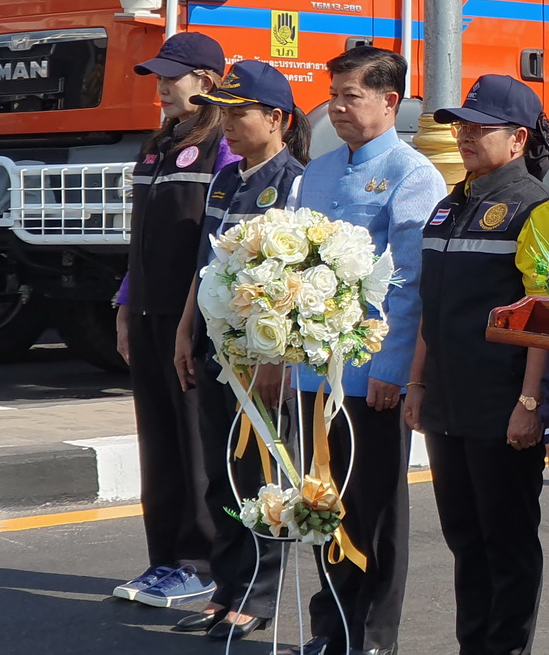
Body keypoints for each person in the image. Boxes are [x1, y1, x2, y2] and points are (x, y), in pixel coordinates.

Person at [403, 75, 549, 655]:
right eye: (462, 126)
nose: (465, 135)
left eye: (481, 127)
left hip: (502, 407)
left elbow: (545, 320)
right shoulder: (448, 206)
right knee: (464, 540)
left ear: (519, 138)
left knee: (507, 544)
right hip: (448, 402)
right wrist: (417, 382)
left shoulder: (540, 211)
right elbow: (431, 305)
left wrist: (530, 403)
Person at [285, 47, 447, 655]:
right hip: (314, 371)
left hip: (368, 373)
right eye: (333, 95)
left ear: (390, 101)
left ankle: (373, 634)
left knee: (374, 507)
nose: (337, 107)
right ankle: (330, 626)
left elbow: (409, 282)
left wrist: (392, 368)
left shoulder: (413, 174)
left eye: (350, 95)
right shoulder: (319, 171)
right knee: (322, 500)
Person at [172, 60, 311, 640]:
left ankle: (257, 593)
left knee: (261, 475)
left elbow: (295, 280)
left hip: (261, 352)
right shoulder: (227, 178)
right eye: (221, 112)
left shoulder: (297, 181)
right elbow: (206, 263)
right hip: (215, 345)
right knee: (222, 475)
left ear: (276, 119)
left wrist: (277, 358)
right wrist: (185, 330)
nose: (226, 123)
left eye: (239, 112)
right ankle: (226, 586)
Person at [111, 32, 235, 610]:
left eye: (171, 77)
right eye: (158, 78)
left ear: (206, 81)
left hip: (193, 317)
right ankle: (164, 558)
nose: (161, 87)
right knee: (157, 442)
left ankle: (200, 562)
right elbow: (141, 238)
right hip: (146, 312)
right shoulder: (158, 146)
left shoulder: (222, 147)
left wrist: (192, 321)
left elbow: (219, 240)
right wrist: (124, 306)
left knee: (193, 441)